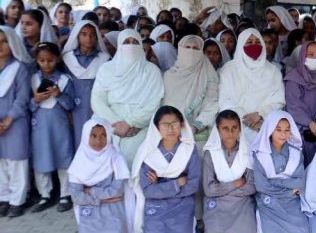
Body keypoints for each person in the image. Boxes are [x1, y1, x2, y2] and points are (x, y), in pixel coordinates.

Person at [134, 106, 201, 233]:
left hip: (182, 204)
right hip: (156, 207)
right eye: (165, 125)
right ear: (157, 127)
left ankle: (193, 230)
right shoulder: (147, 153)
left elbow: (192, 185)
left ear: (182, 125)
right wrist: (177, 183)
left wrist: (160, 185)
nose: (171, 129)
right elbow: (148, 191)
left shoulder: (189, 149)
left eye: (175, 123)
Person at [91, 29, 164, 164]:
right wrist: (116, 124)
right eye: (126, 42)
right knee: (106, 169)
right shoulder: (106, 69)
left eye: (135, 42)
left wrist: (129, 123)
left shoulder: (152, 71)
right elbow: (97, 100)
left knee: (135, 170)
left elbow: (154, 104)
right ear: (119, 45)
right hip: (108, 125)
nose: (131, 45)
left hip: (139, 128)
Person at [68, 118, 132, 233]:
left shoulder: (116, 159)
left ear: (109, 136)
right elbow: (76, 196)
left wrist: (90, 191)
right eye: (93, 136)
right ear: (86, 136)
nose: (99, 141)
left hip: (113, 209)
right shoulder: (78, 162)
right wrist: (102, 199)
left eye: (103, 135)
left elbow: (116, 191)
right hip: (90, 209)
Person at [251, 111, 311, 233]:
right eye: (278, 130)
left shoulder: (296, 153)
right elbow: (260, 186)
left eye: (287, 130)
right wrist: (288, 190)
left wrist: (274, 182)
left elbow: (299, 183)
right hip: (269, 203)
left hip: (291, 202)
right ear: (270, 129)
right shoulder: (259, 154)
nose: (283, 134)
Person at [202, 110, 257, 233]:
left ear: (240, 129)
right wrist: (234, 184)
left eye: (234, 128)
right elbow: (208, 190)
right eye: (225, 128)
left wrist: (222, 188)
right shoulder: (210, 153)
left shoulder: (248, 151)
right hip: (217, 204)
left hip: (241, 203)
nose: (230, 132)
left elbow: (251, 186)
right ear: (218, 130)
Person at [28, 42, 75, 213]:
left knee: (64, 157)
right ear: (37, 60)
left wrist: (59, 95)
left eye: (50, 60)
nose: (46, 64)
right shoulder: (33, 79)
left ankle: (65, 194)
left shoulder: (64, 80)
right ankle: (45, 194)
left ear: (57, 59)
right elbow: (28, 106)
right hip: (40, 126)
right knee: (42, 158)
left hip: (60, 126)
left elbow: (71, 104)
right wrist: (36, 100)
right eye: (42, 60)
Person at [218, 28, 285, 143]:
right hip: (234, 127)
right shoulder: (228, 70)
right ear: (240, 45)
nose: (254, 45)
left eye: (258, 42)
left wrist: (260, 114)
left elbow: (278, 101)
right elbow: (224, 100)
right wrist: (246, 119)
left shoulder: (273, 71)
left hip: (263, 127)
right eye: (249, 42)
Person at [0, 26, 33, 218]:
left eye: (5, 41)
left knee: (16, 162)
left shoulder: (19, 68)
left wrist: (7, 121)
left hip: (15, 123)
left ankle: (17, 200)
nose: (1, 45)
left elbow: (22, 99)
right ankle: (4, 197)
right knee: (1, 163)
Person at [61, 20, 111, 147]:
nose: (88, 38)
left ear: (96, 37)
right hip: (73, 109)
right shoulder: (67, 58)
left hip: (97, 108)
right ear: (77, 36)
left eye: (92, 35)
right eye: (84, 34)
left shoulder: (104, 59)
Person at [163, 35, 219, 146]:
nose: (191, 51)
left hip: (198, 134)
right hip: (169, 131)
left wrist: (195, 127)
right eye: (187, 47)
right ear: (180, 49)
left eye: (195, 48)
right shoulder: (169, 76)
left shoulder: (208, 74)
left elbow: (211, 104)